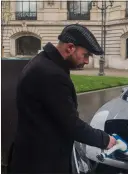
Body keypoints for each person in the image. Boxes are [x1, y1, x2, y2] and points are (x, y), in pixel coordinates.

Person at [8, 24, 116, 173]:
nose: (86, 61)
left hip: (30, 156)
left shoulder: (43, 62)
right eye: (85, 55)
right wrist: (105, 140)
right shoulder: (52, 75)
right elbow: (71, 124)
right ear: (70, 48)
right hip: (41, 164)